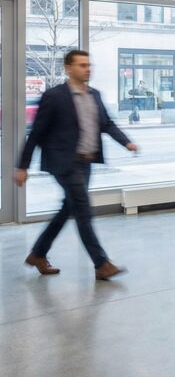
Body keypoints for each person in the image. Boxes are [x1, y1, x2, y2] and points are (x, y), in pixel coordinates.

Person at [15, 50, 139, 280]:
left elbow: (107, 124)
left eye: (89, 65)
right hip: (63, 163)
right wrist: (23, 166)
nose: (87, 69)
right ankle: (101, 264)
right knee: (83, 210)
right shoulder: (54, 96)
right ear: (68, 68)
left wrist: (127, 142)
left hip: (85, 162)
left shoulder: (95, 95)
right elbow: (37, 133)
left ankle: (38, 253)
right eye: (82, 65)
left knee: (69, 208)